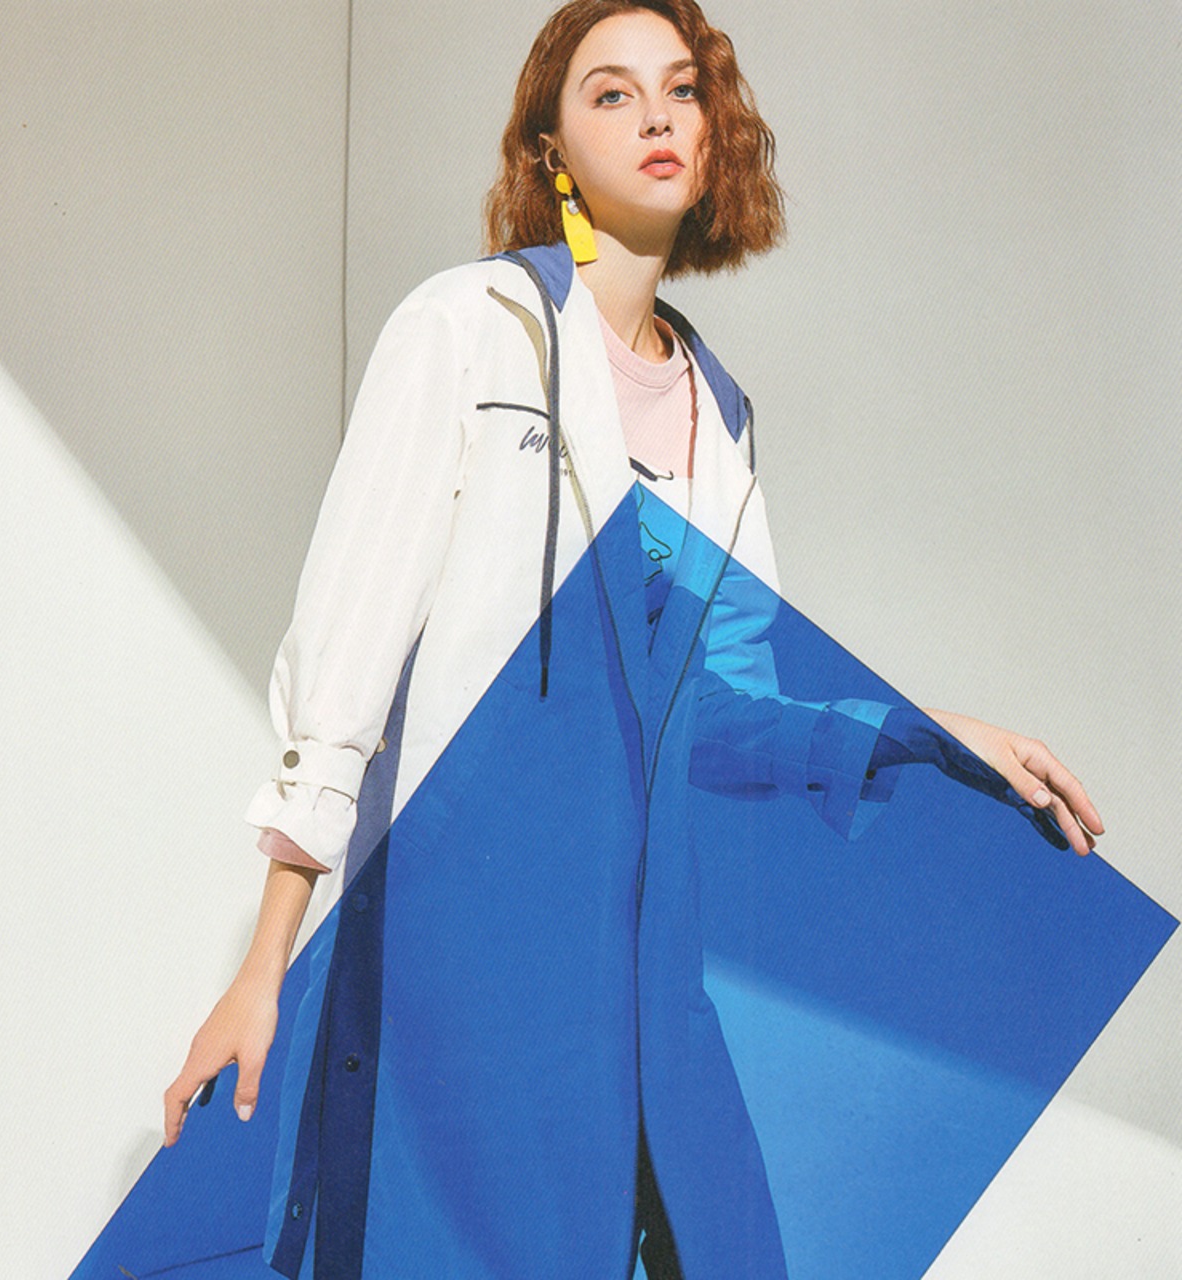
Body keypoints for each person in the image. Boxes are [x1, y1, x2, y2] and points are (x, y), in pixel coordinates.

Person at [163, 2, 1103, 1276]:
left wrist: (925, 732)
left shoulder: (720, 411)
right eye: (609, 93)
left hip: (637, 977)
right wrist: (263, 965)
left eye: (681, 89)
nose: (655, 114)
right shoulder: (469, 326)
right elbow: (346, 655)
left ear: (714, 139)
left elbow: (719, 713)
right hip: (461, 946)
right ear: (548, 149)